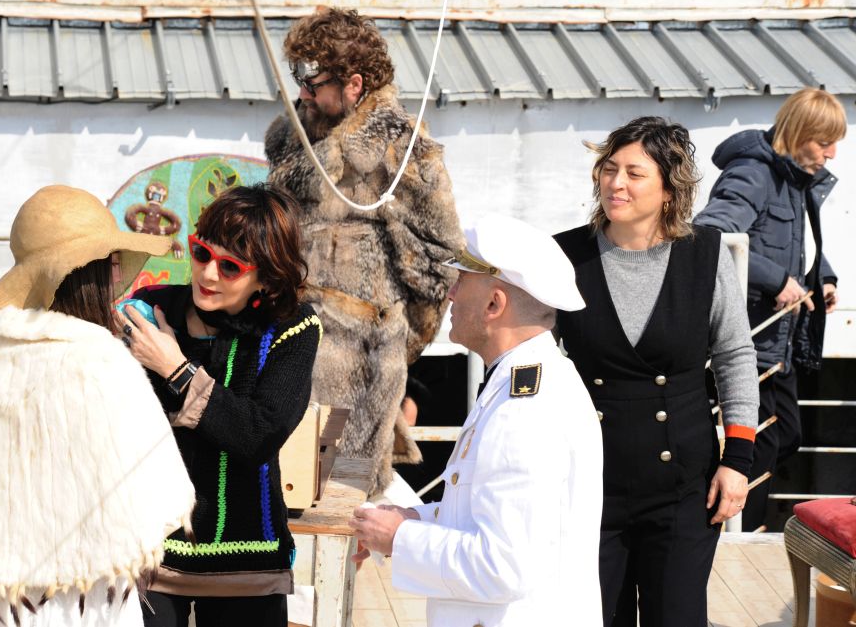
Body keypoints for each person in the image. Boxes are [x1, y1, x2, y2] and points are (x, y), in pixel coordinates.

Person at [0, 185, 194, 627]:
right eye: (112, 262)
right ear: (95, 270)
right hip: (91, 604)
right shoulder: (103, 362)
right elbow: (162, 501)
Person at [349, 214, 604, 627]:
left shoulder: (525, 409)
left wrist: (400, 537)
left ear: (494, 304)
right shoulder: (522, 383)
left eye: (462, 281)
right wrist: (409, 519)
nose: (450, 294)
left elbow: (502, 565)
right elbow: (481, 515)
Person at [554, 117, 760, 627]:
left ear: (670, 189)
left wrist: (738, 460)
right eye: (609, 169)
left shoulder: (705, 254)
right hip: (588, 486)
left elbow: (735, 355)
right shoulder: (563, 256)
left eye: (634, 173)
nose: (615, 183)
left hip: (684, 488)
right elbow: (527, 359)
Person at [265, 7, 463, 493]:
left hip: (360, 366)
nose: (302, 93)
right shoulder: (291, 139)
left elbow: (439, 263)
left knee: (344, 503)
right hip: (281, 353)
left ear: (354, 84)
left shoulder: (402, 149)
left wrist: (391, 340)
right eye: (298, 78)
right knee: (280, 501)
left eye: (313, 82)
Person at [119, 184, 319, 627]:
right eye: (202, 253)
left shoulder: (293, 328)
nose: (208, 274)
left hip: (246, 561)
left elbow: (259, 435)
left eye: (230, 266)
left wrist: (176, 369)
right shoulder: (150, 310)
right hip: (150, 555)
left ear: (266, 278)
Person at [694, 88, 845, 531]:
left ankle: (736, 528)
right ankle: (733, 535)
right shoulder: (755, 172)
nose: (832, 154)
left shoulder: (795, 180)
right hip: (748, 341)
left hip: (778, 343)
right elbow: (712, 234)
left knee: (785, 436)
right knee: (759, 445)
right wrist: (776, 281)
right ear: (797, 133)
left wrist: (823, 278)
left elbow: (797, 245)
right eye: (824, 142)